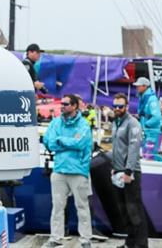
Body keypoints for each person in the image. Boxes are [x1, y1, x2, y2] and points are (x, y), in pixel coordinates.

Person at [42, 94, 93, 248]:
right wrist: (66, 142)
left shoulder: (83, 125)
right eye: (62, 103)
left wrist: (60, 140)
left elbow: (80, 143)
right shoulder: (55, 123)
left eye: (65, 104)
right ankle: (55, 238)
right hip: (59, 170)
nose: (61, 106)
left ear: (75, 106)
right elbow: (49, 142)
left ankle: (85, 240)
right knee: (57, 207)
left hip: (78, 171)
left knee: (82, 207)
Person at [110, 93, 149, 248]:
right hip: (118, 171)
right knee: (124, 211)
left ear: (126, 107)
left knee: (135, 211)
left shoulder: (133, 123)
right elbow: (116, 148)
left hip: (129, 173)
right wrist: (114, 167)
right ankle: (130, 242)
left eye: (120, 106)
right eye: (115, 106)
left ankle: (141, 245)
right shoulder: (116, 122)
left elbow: (133, 148)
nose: (117, 109)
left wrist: (128, 171)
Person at [134, 77, 162, 156]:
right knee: (145, 154)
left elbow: (156, 117)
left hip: (153, 132)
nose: (137, 87)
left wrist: (146, 125)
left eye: (139, 86)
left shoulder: (152, 99)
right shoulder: (143, 97)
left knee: (150, 155)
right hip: (147, 131)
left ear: (145, 86)